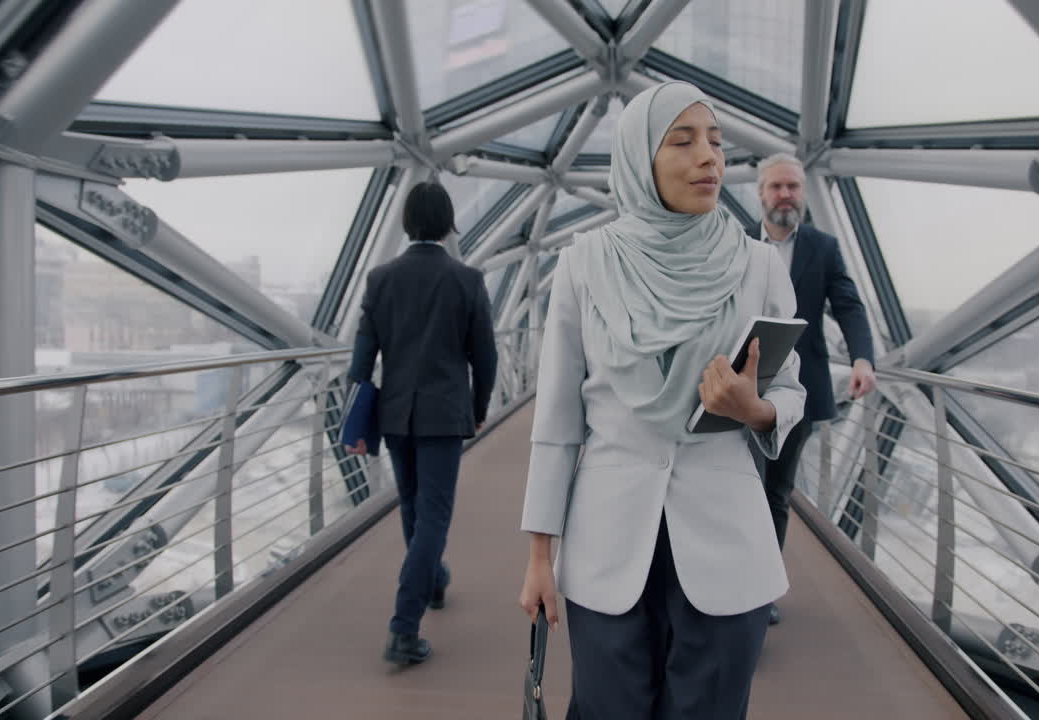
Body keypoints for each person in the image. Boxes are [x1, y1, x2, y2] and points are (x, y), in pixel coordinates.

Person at [518, 81, 806, 720]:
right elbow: (558, 420)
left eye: (716, 142)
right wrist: (540, 556)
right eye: (683, 141)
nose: (709, 157)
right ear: (638, 158)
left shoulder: (758, 266)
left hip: (728, 545)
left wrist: (753, 409)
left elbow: (790, 391)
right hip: (605, 542)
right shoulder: (586, 264)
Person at [346, 181, 497, 665]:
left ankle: (432, 580)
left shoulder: (380, 279)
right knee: (433, 514)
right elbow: (485, 358)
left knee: (413, 507)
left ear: (408, 223)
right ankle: (403, 628)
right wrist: (476, 407)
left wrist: (356, 423)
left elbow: (361, 361)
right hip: (444, 414)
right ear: (448, 222)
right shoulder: (466, 280)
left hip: (395, 415)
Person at [750, 153, 877, 626]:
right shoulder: (736, 242)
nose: (786, 195)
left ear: (803, 193)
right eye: (777, 187)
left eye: (794, 187)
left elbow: (848, 305)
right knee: (738, 488)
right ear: (761, 193)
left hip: (800, 393)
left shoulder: (823, 248)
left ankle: (762, 592)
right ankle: (729, 584)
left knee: (777, 493)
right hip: (743, 390)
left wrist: (863, 357)